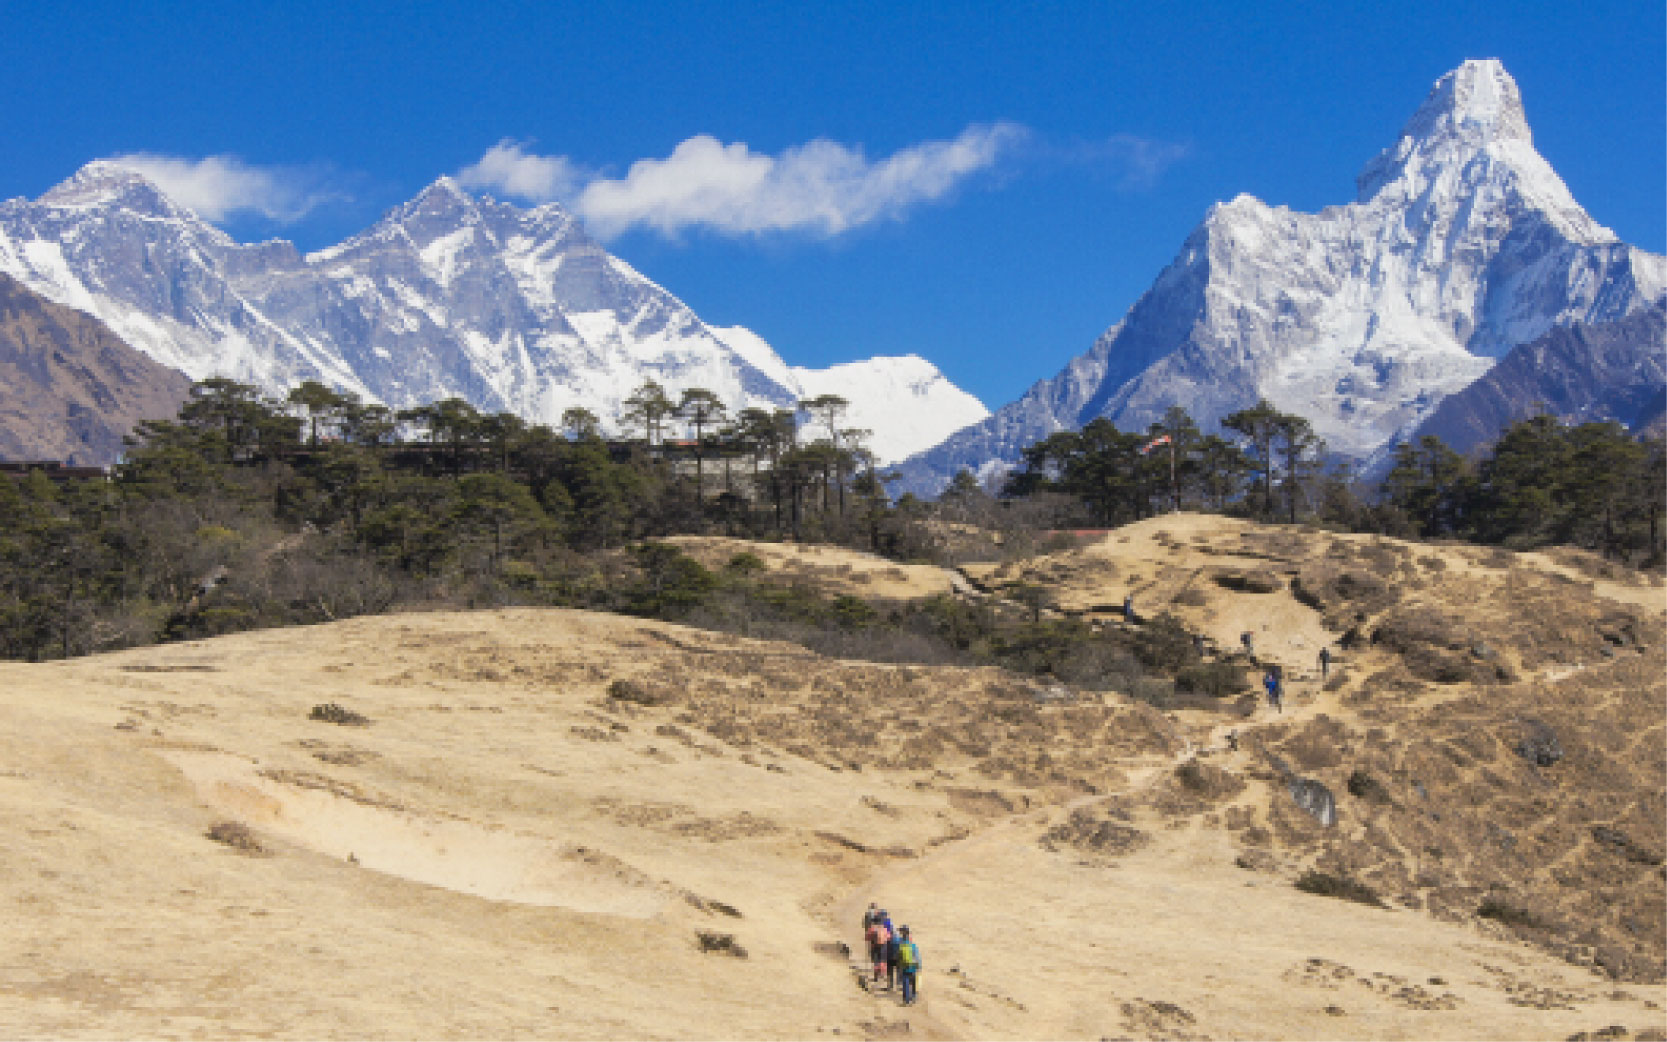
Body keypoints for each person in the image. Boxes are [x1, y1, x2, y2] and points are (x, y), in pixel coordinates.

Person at [897, 926, 921, 1005]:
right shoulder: (913, 946)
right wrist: (919, 966)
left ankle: (906, 1000)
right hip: (913, 967)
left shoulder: (901, 947)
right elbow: (917, 957)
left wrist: (899, 966)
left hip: (905, 967)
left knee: (905, 983)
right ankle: (913, 997)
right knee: (913, 982)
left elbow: (899, 958)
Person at [866, 912, 890, 983]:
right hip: (884, 946)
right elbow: (888, 937)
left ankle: (876, 976)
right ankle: (882, 974)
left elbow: (867, 937)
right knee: (882, 960)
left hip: (874, 946)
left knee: (876, 961)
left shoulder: (872, 928)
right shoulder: (884, 928)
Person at [884, 916, 901, 989]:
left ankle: (890, 985)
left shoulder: (888, 941)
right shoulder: (899, 940)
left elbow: (885, 950)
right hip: (897, 958)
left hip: (890, 958)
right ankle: (899, 984)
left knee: (890, 972)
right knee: (898, 971)